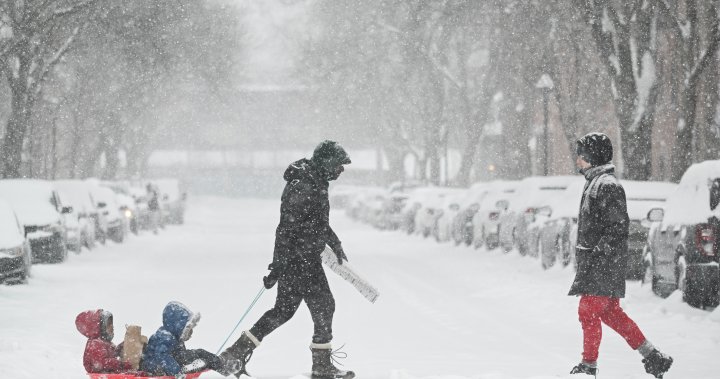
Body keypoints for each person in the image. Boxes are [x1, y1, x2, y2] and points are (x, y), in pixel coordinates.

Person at [220, 140, 354, 379]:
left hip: (303, 258)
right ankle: (321, 367)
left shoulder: (315, 181)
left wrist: (334, 241)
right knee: (322, 306)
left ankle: (236, 352)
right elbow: (286, 228)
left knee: (284, 311)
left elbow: (316, 222)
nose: (341, 170)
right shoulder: (304, 185)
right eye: (339, 165)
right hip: (299, 260)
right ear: (326, 162)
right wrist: (277, 265)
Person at [568, 132, 673, 378]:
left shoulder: (607, 186)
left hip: (603, 263)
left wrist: (597, 255)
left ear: (593, 157)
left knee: (588, 310)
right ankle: (653, 356)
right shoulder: (595, 182)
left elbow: (616, 228)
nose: (578, 160)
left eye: (582, 155)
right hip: (600, 262)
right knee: (610, 313)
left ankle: (588, 365)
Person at [141, 301, 238, 378]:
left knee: (200, 353)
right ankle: (219, 366)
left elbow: (178, 353)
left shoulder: (173, 336)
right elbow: (162, 356)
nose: (190, 332)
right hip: (157, 367)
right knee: (200, 353)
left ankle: (218, 364)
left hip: (173, 362)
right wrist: (177, 371)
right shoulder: (165, 337)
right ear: (177, 325)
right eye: (187, 328)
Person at [75, 309, 133, 374]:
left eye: (112, 324)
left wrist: (122, 346)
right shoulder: (95, 344)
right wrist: (121, 364)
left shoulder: (105, 343)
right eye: (109, 325)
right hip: (103, 375)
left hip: (109, 373)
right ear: (101, 327)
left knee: (138, 373)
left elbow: (113, 353)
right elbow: (102, 363)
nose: (112, 327)